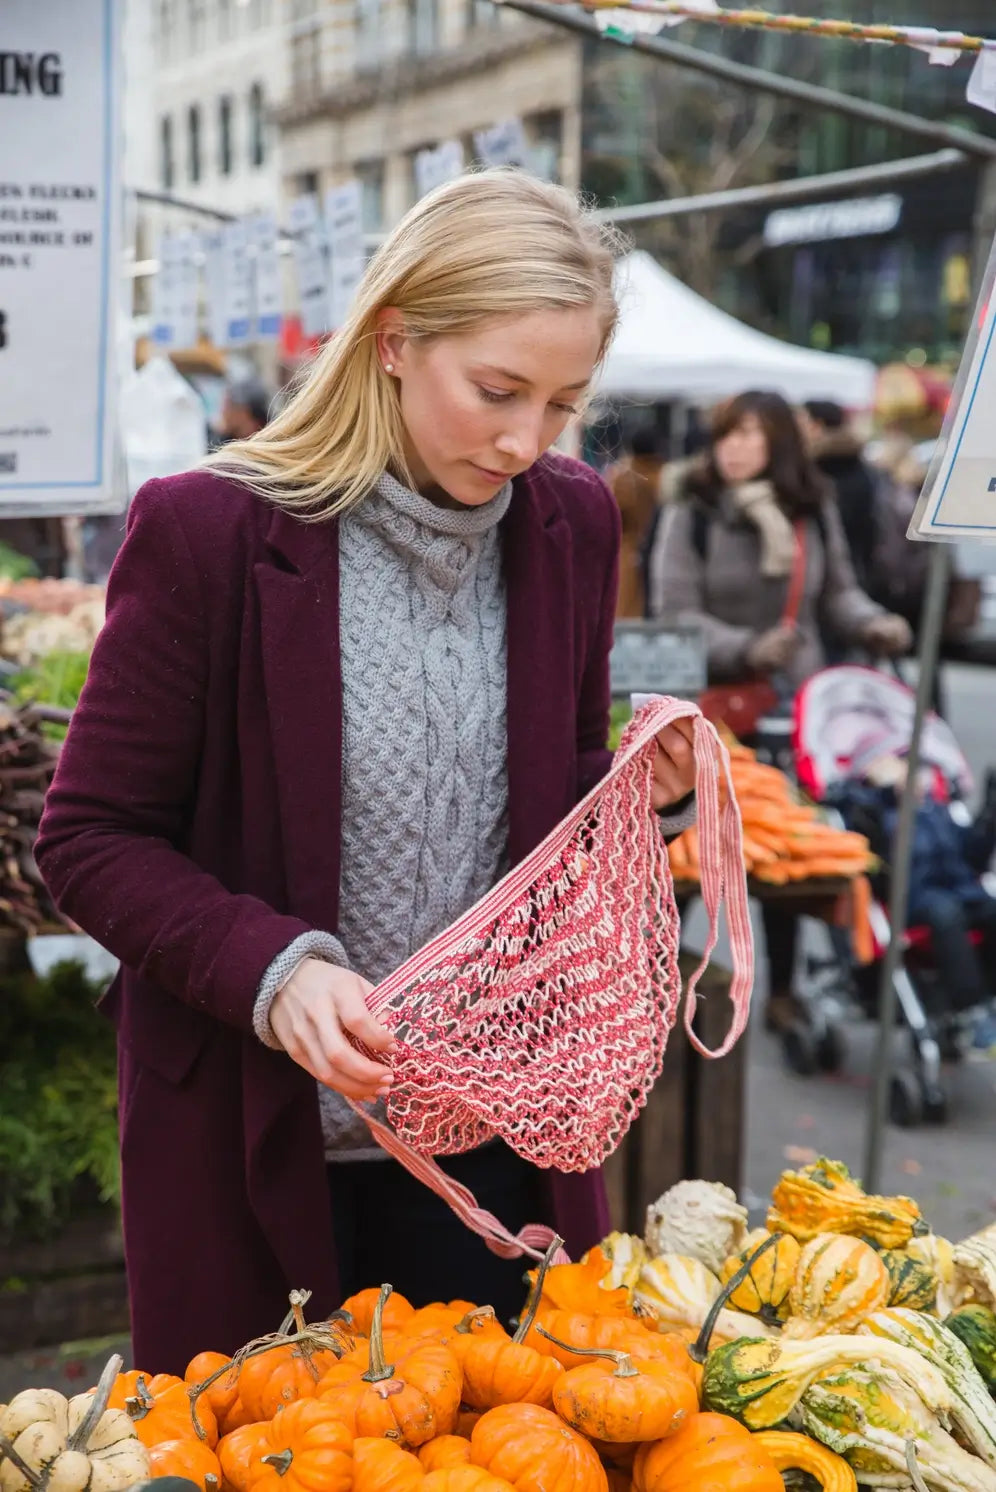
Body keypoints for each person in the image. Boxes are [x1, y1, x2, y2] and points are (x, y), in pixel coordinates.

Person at [34, 170, 700, 1375]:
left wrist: (642, 801)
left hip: (495, 1136)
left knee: (505, 1440)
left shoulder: (572, 523)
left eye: (562, 403)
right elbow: (89, 837)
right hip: (253, 1131)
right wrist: (272, 971)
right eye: (497, 391)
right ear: (393, 341)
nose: (524, 440)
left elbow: (562, 794)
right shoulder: (208, 532)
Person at [647, 389, 911, 1032]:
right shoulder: (695, 510)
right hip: (706, 711)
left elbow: (839, 595)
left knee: (785, 856)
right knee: (683, 854)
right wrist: (745, 646)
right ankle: (656, 990)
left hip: (794, 704)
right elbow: (672, 611)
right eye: (725, 434)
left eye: (748, 435)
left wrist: (877, 624)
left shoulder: (809, 512)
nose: (732, 448)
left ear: (779, 445)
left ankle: (781, 992)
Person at [604, 426, 665, 618]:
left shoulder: (622, 477)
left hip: (627, 551)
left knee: (625, 612)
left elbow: (610, 513)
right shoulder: (664, 475)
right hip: (661, 547)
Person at [213, 375, 273, 445]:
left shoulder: (273, 445)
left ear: (244, 412)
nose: (223, 411)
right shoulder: (219, 445)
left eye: (228, 405)